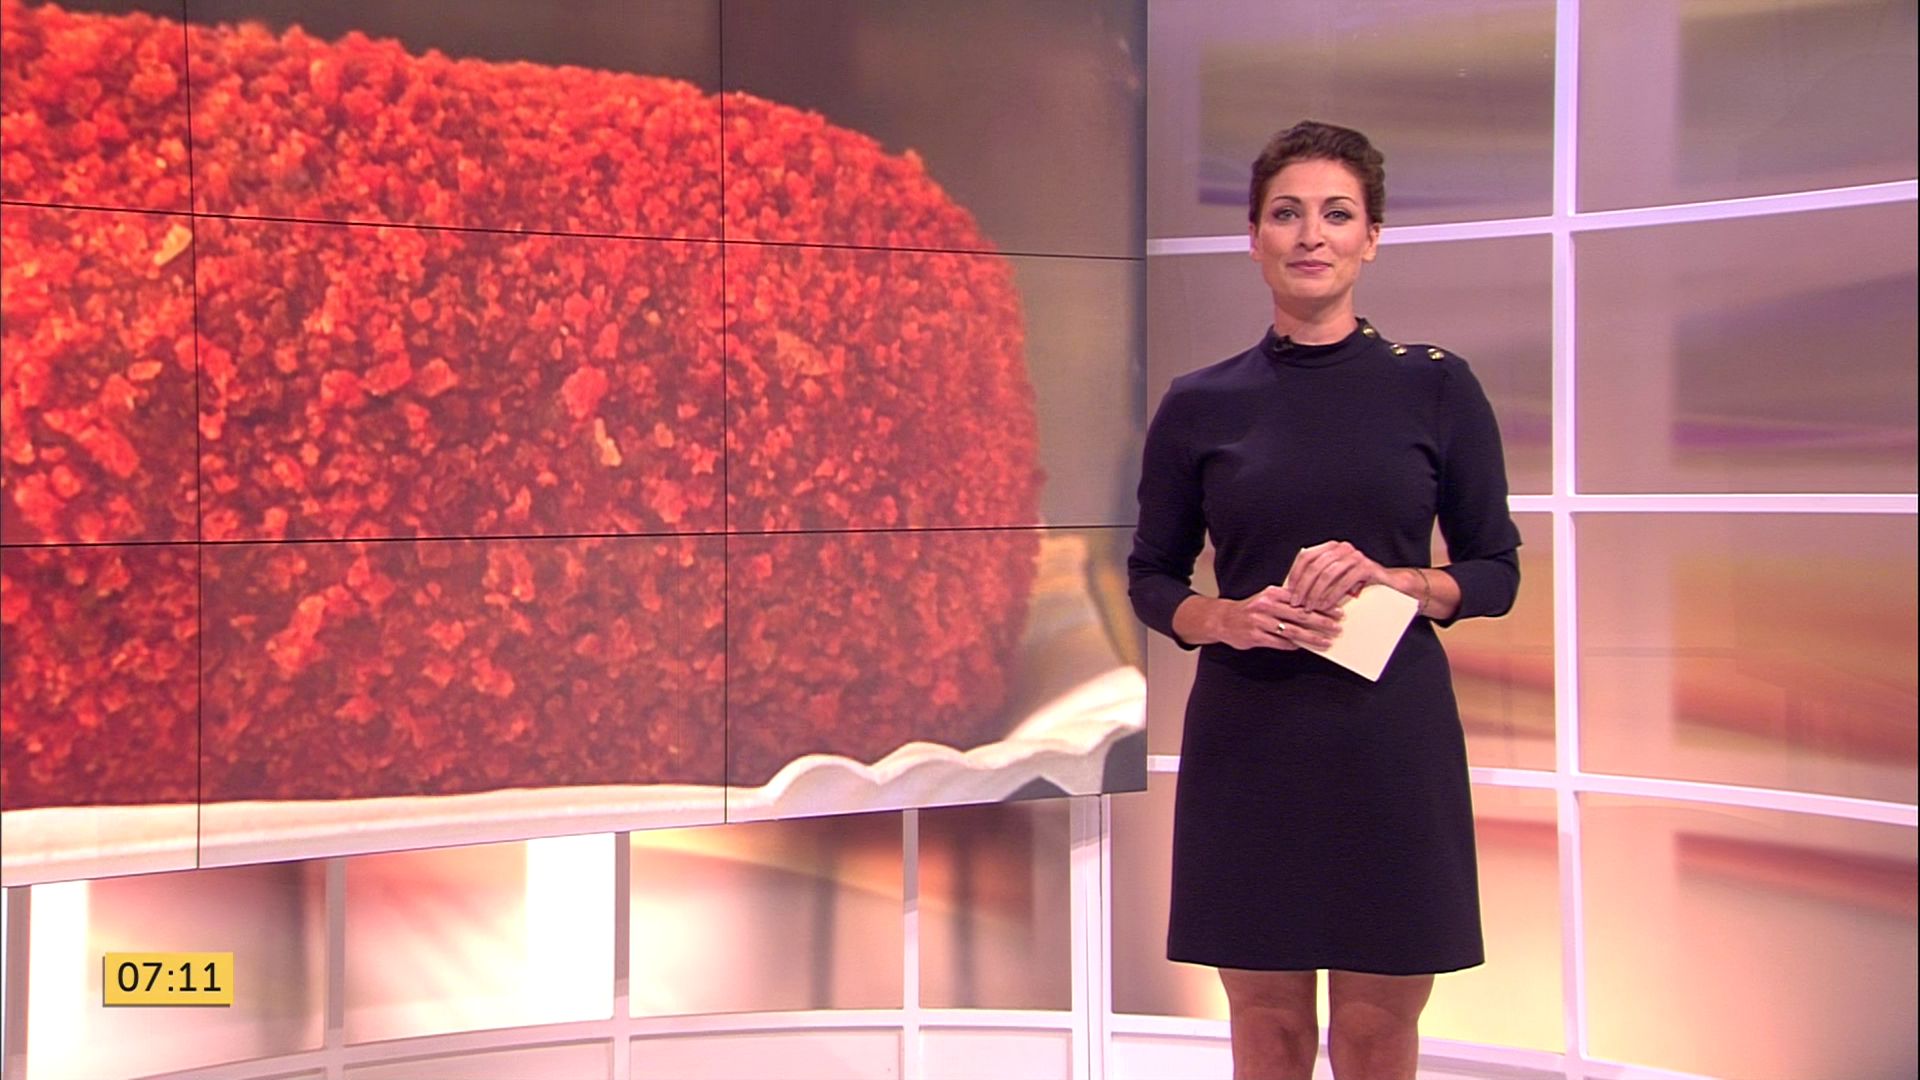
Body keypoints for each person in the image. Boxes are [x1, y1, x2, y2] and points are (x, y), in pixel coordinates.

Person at [1127, 120, 1522, 1080]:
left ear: (1371, 238)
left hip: (1389, 737)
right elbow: (1150, 576)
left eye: (1336, 214)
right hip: (1251, 738)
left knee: (1377, 1029)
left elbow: (1495, 571)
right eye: (1286, 214)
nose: (1311, 235)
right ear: (1254, 237)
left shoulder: (1436, 388)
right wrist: (1223, 619)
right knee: (1267, 1025)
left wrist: (1404, 581)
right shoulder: (1199, 403)